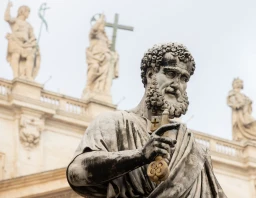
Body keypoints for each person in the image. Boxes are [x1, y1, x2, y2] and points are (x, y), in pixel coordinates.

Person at [67, 43, 226, 198]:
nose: (177, 84)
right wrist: (139, 156)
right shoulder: (113, 123)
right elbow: (76, 173)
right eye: (171, 74)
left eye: (184, 78)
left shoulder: (195, 151)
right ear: (150, 75)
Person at [4, 1, 40, 80]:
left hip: (26, 44)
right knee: (16, 56)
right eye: (27, 12)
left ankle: (28, 76)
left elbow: (32, 36)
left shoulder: (28, 25)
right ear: (22, 11)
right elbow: (7, 18)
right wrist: (8, 7)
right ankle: (16, 75)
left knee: (31, 55)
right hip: (15, 41)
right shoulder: (15, 20)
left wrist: (33, 43)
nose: (28, 14)